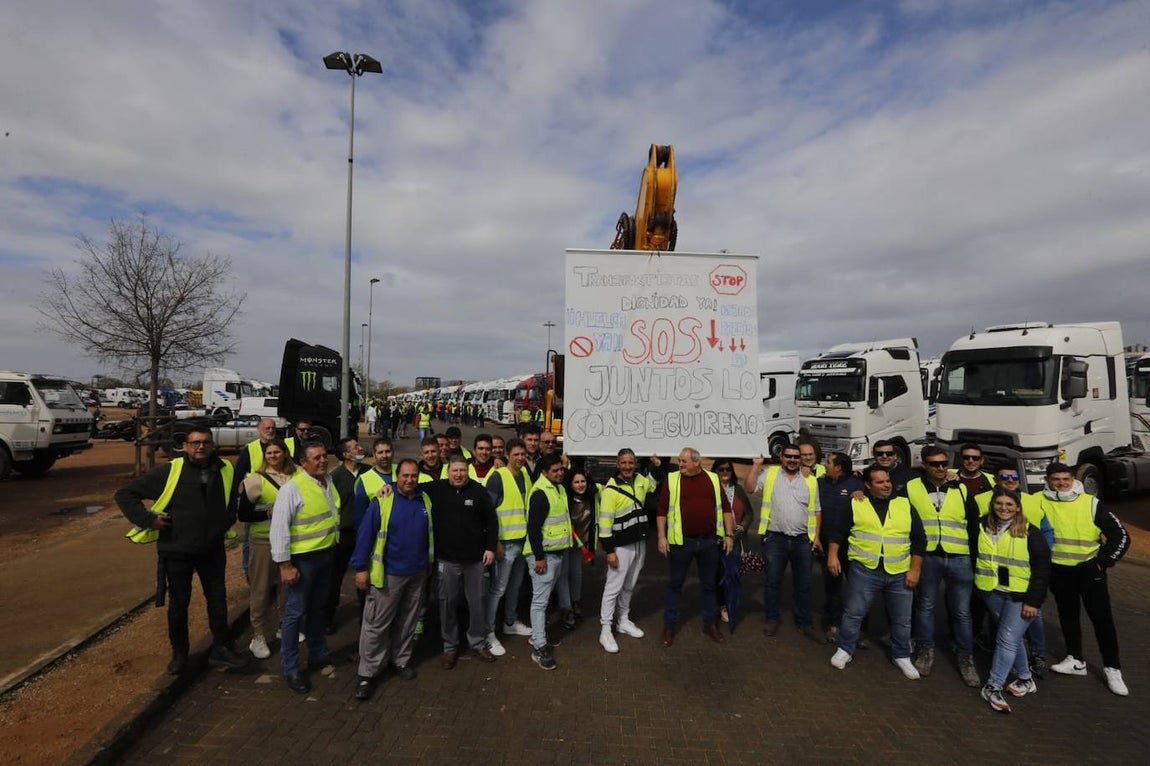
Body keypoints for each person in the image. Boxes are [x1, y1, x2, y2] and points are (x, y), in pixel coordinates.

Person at [115, 425, 248, 675]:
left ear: (212, 445)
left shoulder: (225, 469)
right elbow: (125, 494)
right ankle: (180, 654)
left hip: (211, 550)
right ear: (185, 446)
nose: (201, 446)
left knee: (218, 601)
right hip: (177, 550)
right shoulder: (170, 471)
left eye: (206, 442)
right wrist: (147, 520)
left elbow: (231, 503)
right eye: (195, 443)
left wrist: (223, 523)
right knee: (179, 604)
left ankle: (222, 647)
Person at [828, 465, 926, 679]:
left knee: (902, 619)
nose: (886, 485)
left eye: (887, 481)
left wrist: (915, 569)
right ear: (868, 485)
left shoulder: (904, 504)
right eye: (880, 482)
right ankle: (845, 649)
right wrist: (832, 555)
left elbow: (919, 540)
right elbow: (838, 532)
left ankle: (901, 655)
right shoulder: (856, 502)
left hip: (899, 571)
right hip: (865, 569)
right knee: (854, 612)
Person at [1041, 462, 1130, 695]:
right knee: (1067, 615)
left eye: (1065, 479)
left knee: (1101, 619)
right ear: (1048, 480)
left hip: (1089, 569)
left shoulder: (1090, 502)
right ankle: (1076, 659)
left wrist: (1104, 561)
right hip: (1059, 570)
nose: (1061, 484)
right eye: (1056, 479)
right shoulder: (1038, 501)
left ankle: (1112, 668)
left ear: (1073, 479)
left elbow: (1120, 535)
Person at [351, 459, 432, 701]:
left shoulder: (424, 500)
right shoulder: (383, 500)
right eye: (405, 476)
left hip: (417, 573)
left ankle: (400, 660)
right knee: (376, 625)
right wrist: (360, 568)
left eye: (414, 476)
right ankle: (367, 673)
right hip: (389, 575)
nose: (410, 480)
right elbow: (365, 535)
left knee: (408, 621)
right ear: (397, 477)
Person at [904, 445, 982, 687]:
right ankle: (926, 651)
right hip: (929, 557)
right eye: (934, 464)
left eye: (943, 464)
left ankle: (965, 657)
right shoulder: (911, 487)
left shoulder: (960, 488)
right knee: (925, 606)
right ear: (924, 465)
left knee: (961, 612)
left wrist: (975, 556)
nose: (940, 468)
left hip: (959, 556)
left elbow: (973, 522)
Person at [270, 442, 340, 694]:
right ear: (303, 463)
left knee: (318, 608)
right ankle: (290, 667)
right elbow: (279, 529)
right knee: (294, 614)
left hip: (325, 555)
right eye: (316, 458)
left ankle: (318, 653)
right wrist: (285, 565)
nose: (323, 460)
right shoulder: (291, 489)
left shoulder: (327, 481)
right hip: (303, 562)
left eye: (324, 455)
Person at [975, 486, 1051, 713]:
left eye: (1009, 504)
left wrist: (1034, 602)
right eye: (999, 503)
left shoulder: (1031, 532)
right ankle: (1026, 678)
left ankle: (993, 686)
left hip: (1020, 596)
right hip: (992, 591)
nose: (1004, 508)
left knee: (1006, 639)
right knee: (1012, 637)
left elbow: (1042, 570)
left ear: (1017, 507)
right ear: (993, 505)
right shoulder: (982, 525)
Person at [424, 455, 498, 669]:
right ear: (448, 472)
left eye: (462, 471)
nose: (458, 474)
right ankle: (450, 647)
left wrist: (490, 547)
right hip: (447, 560)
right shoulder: (436, 489)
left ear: (468, 471)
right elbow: (410, 485)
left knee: (477, 603)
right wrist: (389, 487)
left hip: (475, 560)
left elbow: (491, 522)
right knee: (447, 604)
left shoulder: (478, 491)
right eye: (454, 471)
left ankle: (478, 642)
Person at [657, 448, 734, 647]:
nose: (680, 464)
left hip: (709, 542)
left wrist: (729, 534)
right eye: (680, 461)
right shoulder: (672, 480)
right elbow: (661, 511)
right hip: (682, 543)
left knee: (709, 586)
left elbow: (726, 509)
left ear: (696, 462)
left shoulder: (713, 480)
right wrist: (661, 537)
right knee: (675, 585)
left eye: (684, 461)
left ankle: (710, 624)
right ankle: (669, 627)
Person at [745, 445, 821, 639]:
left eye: (796, 457)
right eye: (789, 456)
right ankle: (772, 619)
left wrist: (817, 536)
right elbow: (750, 487)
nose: (793, 460)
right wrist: (755, 466)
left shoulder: (811, 481)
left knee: (803, 584)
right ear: (782, 456)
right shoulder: (770, 474)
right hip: (775, 539)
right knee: (772, 582)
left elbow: (817, 511)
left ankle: (804, 622)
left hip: (803, 540)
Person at [235, 438, 296, 659]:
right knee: (260, 590)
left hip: (291, 541)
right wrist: (268, 513)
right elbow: (243, 515)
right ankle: (258, 635)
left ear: (285, 453)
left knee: (286, 587)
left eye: (277, 452)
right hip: (263, 542)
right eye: (269, 453)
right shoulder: (255, 480)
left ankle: (283, 626)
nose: (273, 456)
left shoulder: (296, 477)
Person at [597, 449, 659, 653]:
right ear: (617, 464)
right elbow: (604, 523)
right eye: (623, 463)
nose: (627, 466)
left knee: (630, 584)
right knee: (613, 587)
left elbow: (653, 484)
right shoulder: (610, 490)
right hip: (621, 545)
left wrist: (657, 465)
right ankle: (605, 629)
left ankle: (622, 620)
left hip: (639, 543)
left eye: (630, 463)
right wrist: (609, 551)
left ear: (635, 464)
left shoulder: (641, 480)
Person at [483, 437, 534, 654]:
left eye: (523, 454)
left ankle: (510, 622)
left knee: (515, 586)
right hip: (505, 544)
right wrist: (495, 543)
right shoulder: (498, 476)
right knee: (498, 589)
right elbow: (487, 513)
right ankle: (487, 632)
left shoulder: (524, 474)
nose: (520, 458)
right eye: (516, 455)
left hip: (522, 542)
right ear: (507, 454)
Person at [525, 453, 572, 670]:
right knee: (540, 602)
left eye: (561, 469)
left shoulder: (558, 488)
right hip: (544, 556)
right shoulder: (541, 493)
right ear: (544, 472)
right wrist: (540, 557)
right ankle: (539, 648)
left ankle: (537, 636)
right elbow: (533, 529)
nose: (560, 472)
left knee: (542, 600)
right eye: (555, 470)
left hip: (555, 554)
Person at [817, 451, 863, 643]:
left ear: (838, 467)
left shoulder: (858, 486)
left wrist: (863, 493)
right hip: (828, 546)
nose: (825, 464)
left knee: (857, 590)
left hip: (852, 547)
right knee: (833, 588)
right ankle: (834, 624)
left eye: (828, 462)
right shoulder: (820, 484)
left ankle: (858, 630)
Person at [324, 437, 367, 634]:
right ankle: (328, 618)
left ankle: (366, 617)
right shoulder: (335, 477)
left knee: (366, 577)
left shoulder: (369, 472)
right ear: (346, 454)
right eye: (355, 447)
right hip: (344, 535)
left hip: (366, 533)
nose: (360, 448)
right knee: (335, 578)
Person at [712, 459, 752, 626]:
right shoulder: (711, 489)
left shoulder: (739, 490)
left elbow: (750, 513)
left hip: (735, 541)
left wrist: (742, 526)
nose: (725, 472)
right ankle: (716, 606)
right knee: (716, 575)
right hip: (715, 540)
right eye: (721, 469)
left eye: (728, 469)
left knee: (732, 576)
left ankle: (729, 607)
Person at [559, 468, 597, 630]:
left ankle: (575, 602)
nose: (581, 485)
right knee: (563, 574)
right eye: (576, 482)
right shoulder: (564, 498)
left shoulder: (593, 497)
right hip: (563, 542)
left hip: (580, 543)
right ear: (570, 484)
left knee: (576, 573)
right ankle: (566, 608)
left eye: (583, 481)